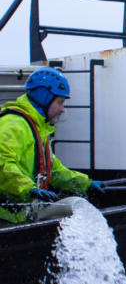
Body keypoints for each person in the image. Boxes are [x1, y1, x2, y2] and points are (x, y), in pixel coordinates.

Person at [0, 67, 105, 224]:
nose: (63, 109)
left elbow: (54, 170)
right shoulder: (14, 125)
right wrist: (29, 189)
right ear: (44, 97)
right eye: (60, 102)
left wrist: (85, 184)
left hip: (18, 216)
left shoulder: (38, 129)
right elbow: (2, 165)